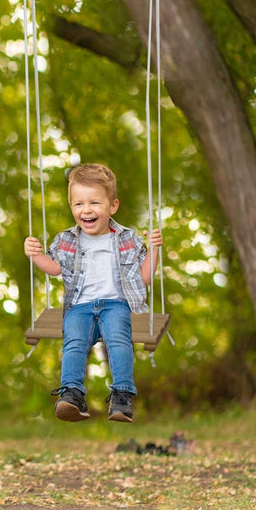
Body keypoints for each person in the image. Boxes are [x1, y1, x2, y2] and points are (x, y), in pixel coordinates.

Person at [24, 163, 162, 424]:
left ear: (113, 206)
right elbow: (53, 268)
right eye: (78, 204)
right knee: (74, 342)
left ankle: (122, 395)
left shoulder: (128, 239)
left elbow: (144, 277)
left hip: (116, 305)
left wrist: (154, 250)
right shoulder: (66, 239)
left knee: (119, 341)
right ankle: (72, 394)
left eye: (95, 203)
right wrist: (36, 255)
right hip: (79, 306)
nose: (86, 210)